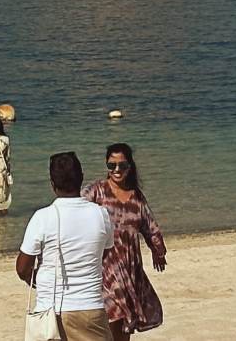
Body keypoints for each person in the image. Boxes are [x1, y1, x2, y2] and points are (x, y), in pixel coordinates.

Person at [16, 151, 117, 341]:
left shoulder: (42, 217)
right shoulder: (101, 214)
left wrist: (37, 279)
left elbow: (22, 268)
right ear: (81, 178)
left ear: (52, 184)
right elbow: (104, 253)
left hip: (52, 311)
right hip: (90, 308)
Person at [83, 143, 167, 341]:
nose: (117, 170)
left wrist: (158, 251)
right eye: (112, 165)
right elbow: (74, 212)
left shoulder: (136, 198)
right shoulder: (96, 192)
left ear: (130, 166)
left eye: (122, 165)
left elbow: (150, 227)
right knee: (113, 318)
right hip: (105, 268)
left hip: (130, 268)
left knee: (124, 325)